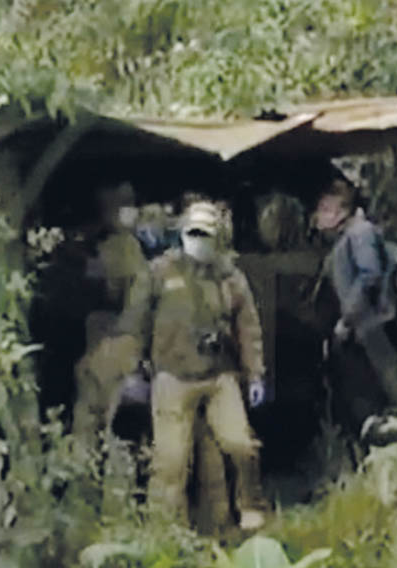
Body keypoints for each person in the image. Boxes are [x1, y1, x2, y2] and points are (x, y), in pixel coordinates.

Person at [116, 200, 270, 530]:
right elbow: (136, 322)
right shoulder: (159, 272)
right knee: (171, 462)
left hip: (219, 375)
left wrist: (255, 373)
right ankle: (165, 531)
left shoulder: (230, 276)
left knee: (240, 444)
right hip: (171, 377)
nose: (199, 239)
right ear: (183, 233)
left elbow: (249, 327)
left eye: (205, 233)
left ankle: (251, 505)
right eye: (193, 232)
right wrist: (132, 371)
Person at [313, 178, 397, 416]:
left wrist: (348, 318)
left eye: (323, 209)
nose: (318, 217)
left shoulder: (360, 233)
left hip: (374, 323)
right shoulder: (345, 239)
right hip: (362, 327)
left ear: (338, 211)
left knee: (393, 386)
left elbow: (369, 275)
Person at [71, 182, 149, 452]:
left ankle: (84, 475)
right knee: (100, 420)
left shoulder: (121, 246)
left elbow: (134, 298)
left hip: (113, 342)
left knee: (96, 420)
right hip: (111, 342)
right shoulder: (120, 246)